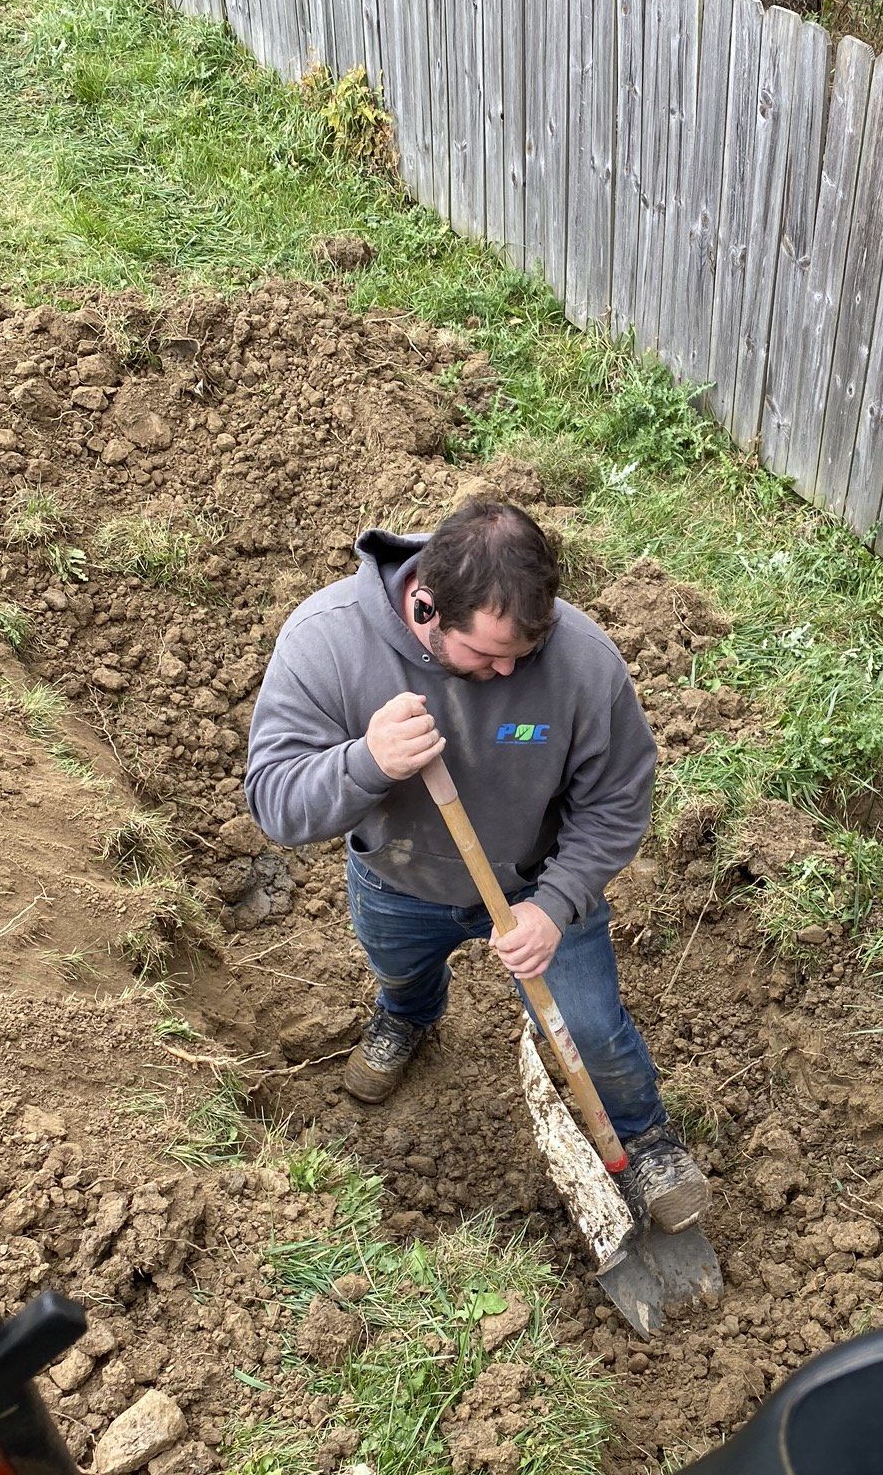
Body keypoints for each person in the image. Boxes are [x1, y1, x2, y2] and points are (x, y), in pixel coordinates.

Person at [244, 500, 710, 1234]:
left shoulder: (580, 661)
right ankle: (408, 1016)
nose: (509, 669)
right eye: (489, 654)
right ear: (426, 605)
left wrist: (554, 905)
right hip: (397, 878)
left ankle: (643, 1139)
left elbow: (619, 801)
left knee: (590, 1027)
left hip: (535, 878)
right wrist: (367, 763)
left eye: (524, 651)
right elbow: (274, 802)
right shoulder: (327, 643)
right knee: (399, 969)